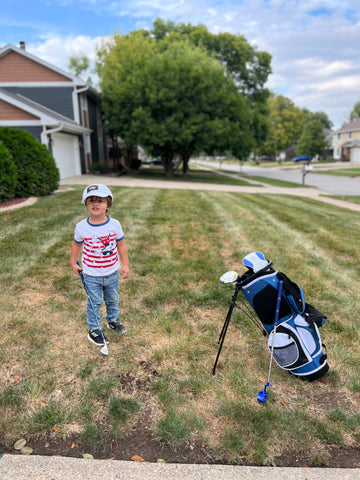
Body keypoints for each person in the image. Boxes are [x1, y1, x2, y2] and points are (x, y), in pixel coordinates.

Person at [70, 184, 129, 346]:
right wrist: (73, 262)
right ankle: (94, 329)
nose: (95, 204)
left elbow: (121, 245)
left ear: (108, 205)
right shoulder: (82, 227)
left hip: (112, 273)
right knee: (94, 302)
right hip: (91, 274)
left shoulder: (114, 225)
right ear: (86, 205)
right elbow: (76, 245)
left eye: (100, 201)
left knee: (112, 299)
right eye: (91, 201)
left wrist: (125, 265)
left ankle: (112, 320)